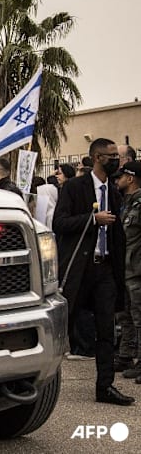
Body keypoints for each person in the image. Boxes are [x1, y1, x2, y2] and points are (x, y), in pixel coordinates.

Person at [53, 137, 135, 405]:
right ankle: (42, 384)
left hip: (105, 270)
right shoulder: (75, 187)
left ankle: (105, 386)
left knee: (106, 330)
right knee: (63, 327)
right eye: (112, 156)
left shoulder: (114, 190)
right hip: (79, 269)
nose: (116, 161)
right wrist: (92, 220)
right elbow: (60, 223)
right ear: (98, 157)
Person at [116, 161, 141, 381]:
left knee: (139, 316)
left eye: (121, 176)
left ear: (131, 178)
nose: (117, 180)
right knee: (126, 315)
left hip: (136, 270)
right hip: (124, 268)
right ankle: (126, 354)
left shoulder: (140, 204)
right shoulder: (126, 202)